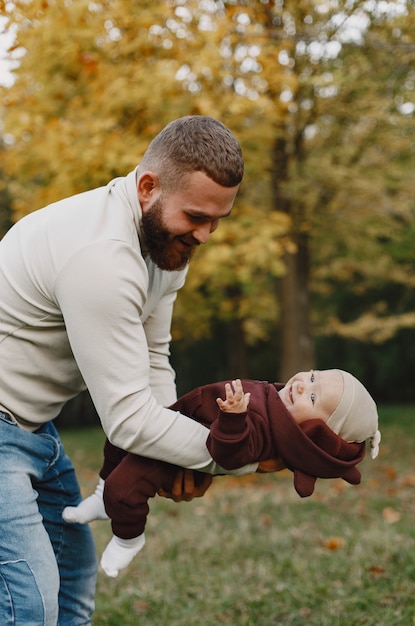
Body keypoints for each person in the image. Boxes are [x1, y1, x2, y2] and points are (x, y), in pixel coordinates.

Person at [0, 116, 256, 626]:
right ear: (147, 187)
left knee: (73, 578)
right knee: (27, 601)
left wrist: (178, 453)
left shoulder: (163, 244)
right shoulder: (103, 258)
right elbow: (128, 420)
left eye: (217, 220)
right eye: (196, 216)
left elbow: (152, 358)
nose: (205, 235)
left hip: (31, 427)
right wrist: (236, 455)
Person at [63, 369, 381, 577]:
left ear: (314, 432)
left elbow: (229, 455)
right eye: (313, 376)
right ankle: (101, 496)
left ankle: (127, 537)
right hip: (176, 419)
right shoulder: (277, 402)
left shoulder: (267, 433)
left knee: (126, 486)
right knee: (116, 444)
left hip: (172, 454)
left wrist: (233, 418)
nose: (301, 384)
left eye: (312, 397)